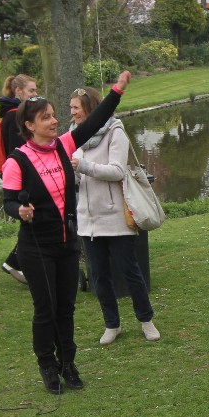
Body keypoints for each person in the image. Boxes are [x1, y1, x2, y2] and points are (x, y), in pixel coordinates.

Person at [2, 71, 132, 395]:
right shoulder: (17, 161)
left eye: (53, 115)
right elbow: (8, 202)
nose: (54, 121)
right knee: (46, 309)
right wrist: (19, 211)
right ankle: (47, 365)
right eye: (46, 118)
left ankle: (68, 363)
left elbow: (94, 120)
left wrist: (116, 91)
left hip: (66, 244)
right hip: (36, 248)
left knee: (66, 309)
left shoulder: (64, 145)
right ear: (29, 125)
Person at [68, 86, 159, 346]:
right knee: (99, 276)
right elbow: (77, 179)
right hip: (88, 220)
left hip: (115, 216)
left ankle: (146, 320)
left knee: (130, 272)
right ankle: (112, 324)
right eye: (71, 108)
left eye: (76, 107)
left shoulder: (114, 131)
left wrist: (83, 166)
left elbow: (118, 171)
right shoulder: (72, 136)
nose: (72, 112)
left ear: (90, 108)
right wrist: (72, 173)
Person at [0, 73, 37, 285]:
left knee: (32, 221)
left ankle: (16, 262)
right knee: (32, 220)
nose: (35, 94)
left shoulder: (11, 114)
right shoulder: (14, 117)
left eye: (35, 90)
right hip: (21, 179)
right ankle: (15, 262)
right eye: (31, 90)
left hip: (18, 176)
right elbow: (18, 151)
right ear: (18, 91)